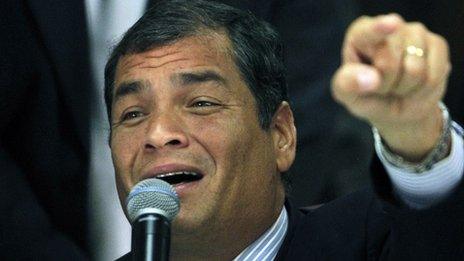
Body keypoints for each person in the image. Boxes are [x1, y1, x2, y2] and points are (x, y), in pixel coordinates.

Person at [103, 1, 463, 260]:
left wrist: (416, 132)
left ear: (281, 135)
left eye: (201, 103)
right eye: (133, 114)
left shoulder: (372, 242)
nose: (159, 133)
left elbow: (438, 230)